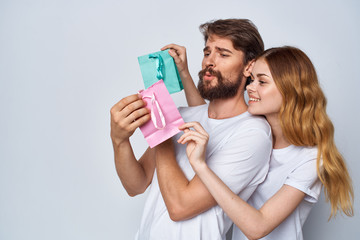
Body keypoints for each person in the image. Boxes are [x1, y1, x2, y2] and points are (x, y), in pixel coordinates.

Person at [110, 19, 273, 240]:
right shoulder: (184, 115)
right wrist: (119, 141)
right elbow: (136, 185)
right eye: (207, 53)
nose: (210, 62)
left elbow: (180, 207)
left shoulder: (253, 134)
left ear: (249, 67)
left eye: (223, 54)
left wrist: (163, 132)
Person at [176, 46, 354, 240]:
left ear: (290, 90)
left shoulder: (311, 158)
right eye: (252, 79)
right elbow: (208, 116)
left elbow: (258, 227)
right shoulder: (254, 136)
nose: (250, 87)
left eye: (262, 81)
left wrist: (201, 167)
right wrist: (184, 73)